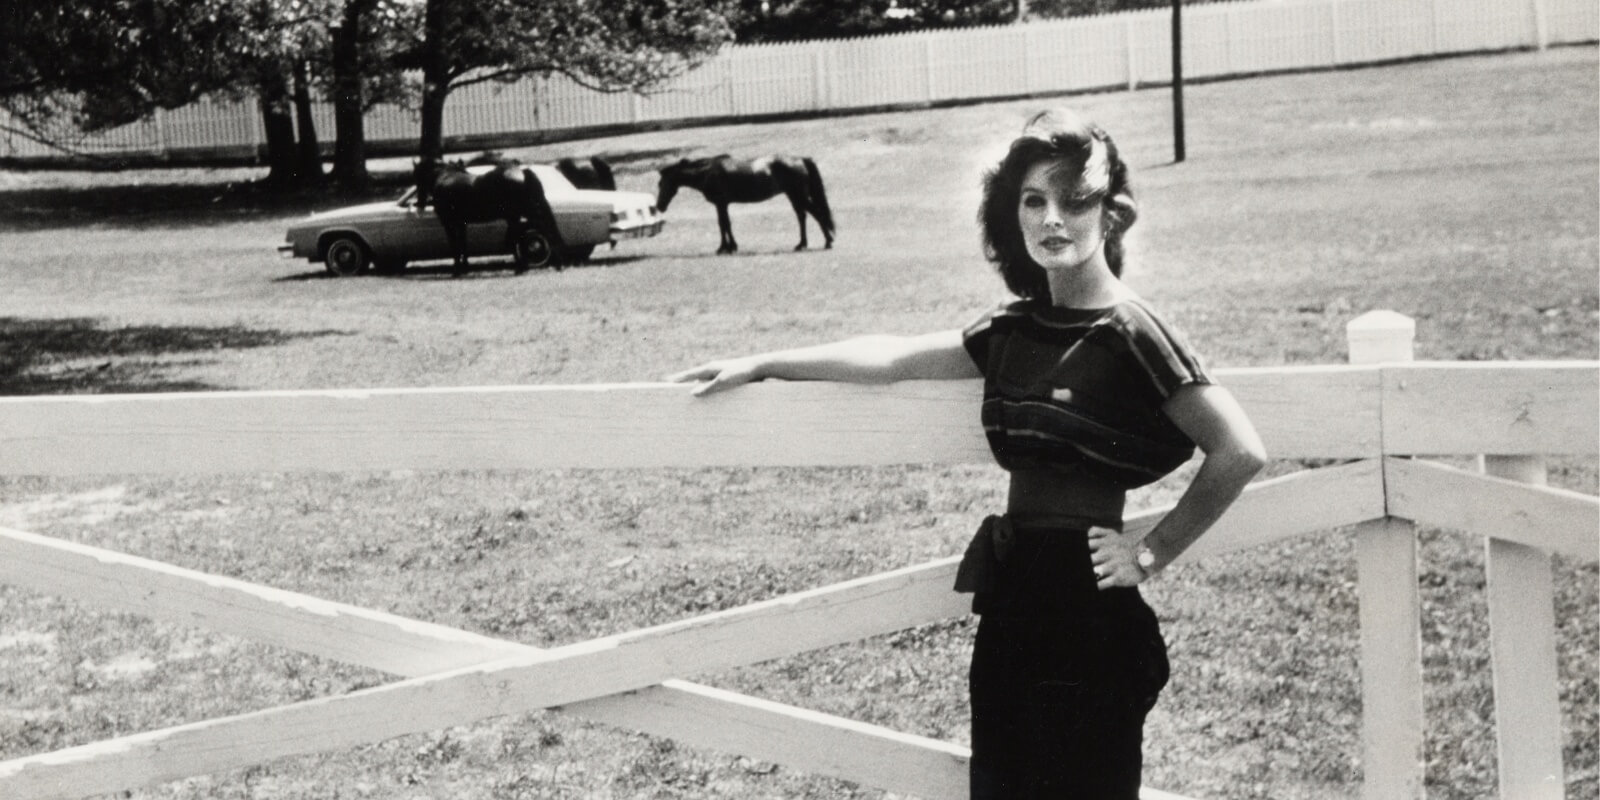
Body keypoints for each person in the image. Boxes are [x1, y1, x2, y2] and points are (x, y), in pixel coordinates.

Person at [666, 108, 1266, 799]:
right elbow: (892, 357)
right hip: (1013, 590)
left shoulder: (1132, 330)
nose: (1053, 220)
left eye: (1075, 201)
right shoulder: (1015, 327)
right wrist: (764, 360)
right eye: (1034, 200)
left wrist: (1150, 552)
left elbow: (1238, 450)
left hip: (1087, 602)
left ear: (1113, 214)